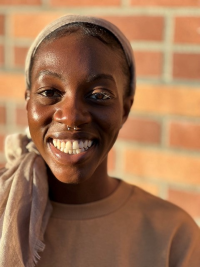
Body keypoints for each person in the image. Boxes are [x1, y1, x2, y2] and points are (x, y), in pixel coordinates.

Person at [0, 14, 199, 267]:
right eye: (50, 92)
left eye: (98, 95)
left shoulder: (173, 235)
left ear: (125, 110)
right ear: (28, 102)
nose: (71, 116)